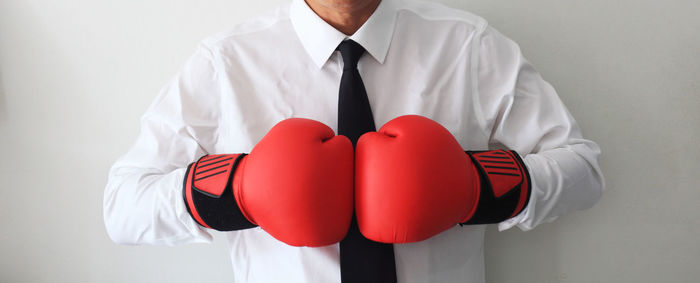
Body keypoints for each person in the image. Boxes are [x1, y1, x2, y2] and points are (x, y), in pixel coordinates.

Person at [103, 0, 604, 282]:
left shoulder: (467, 45)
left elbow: (585, 171)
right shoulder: (227, 61)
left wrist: (474, 186)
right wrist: (238, 190)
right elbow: (123, 208)